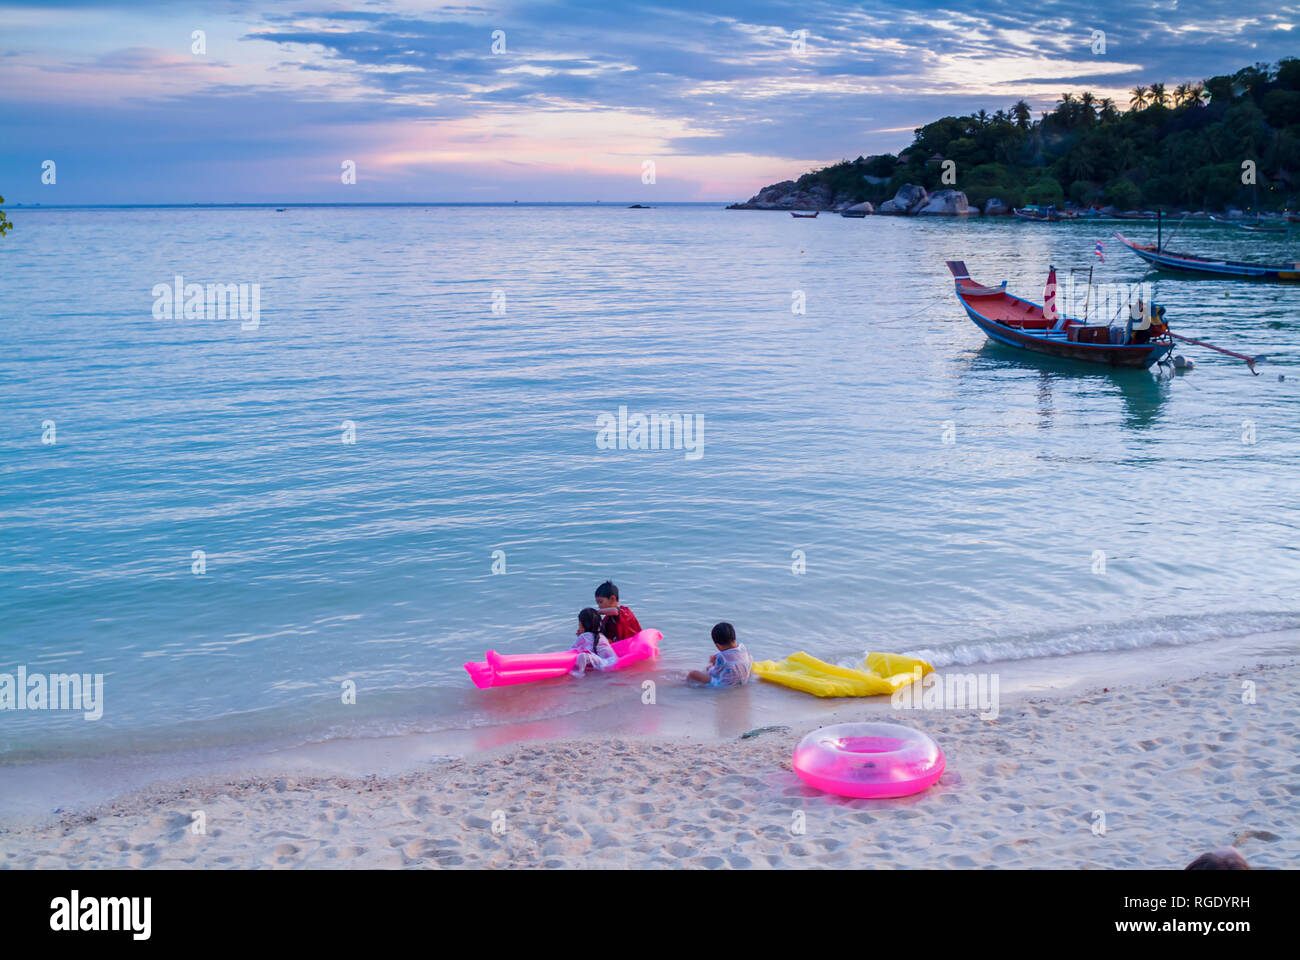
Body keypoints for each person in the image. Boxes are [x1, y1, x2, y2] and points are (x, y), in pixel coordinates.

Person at [687, 622, 752, 687]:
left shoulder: (722, 657)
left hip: (724, 686)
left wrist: (710, 668)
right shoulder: (742, 647)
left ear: (717, 646)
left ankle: (686, 685)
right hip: (743, 681)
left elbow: (714, 673)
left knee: (693, 673)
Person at [570, 607, 617, 676]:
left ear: (580, 624)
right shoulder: (601, 636)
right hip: (613, 662)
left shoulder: (584, 637)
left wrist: (579, 638)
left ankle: (578, 675)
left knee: (583, 656)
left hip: (604, 664)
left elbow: (571, 651)